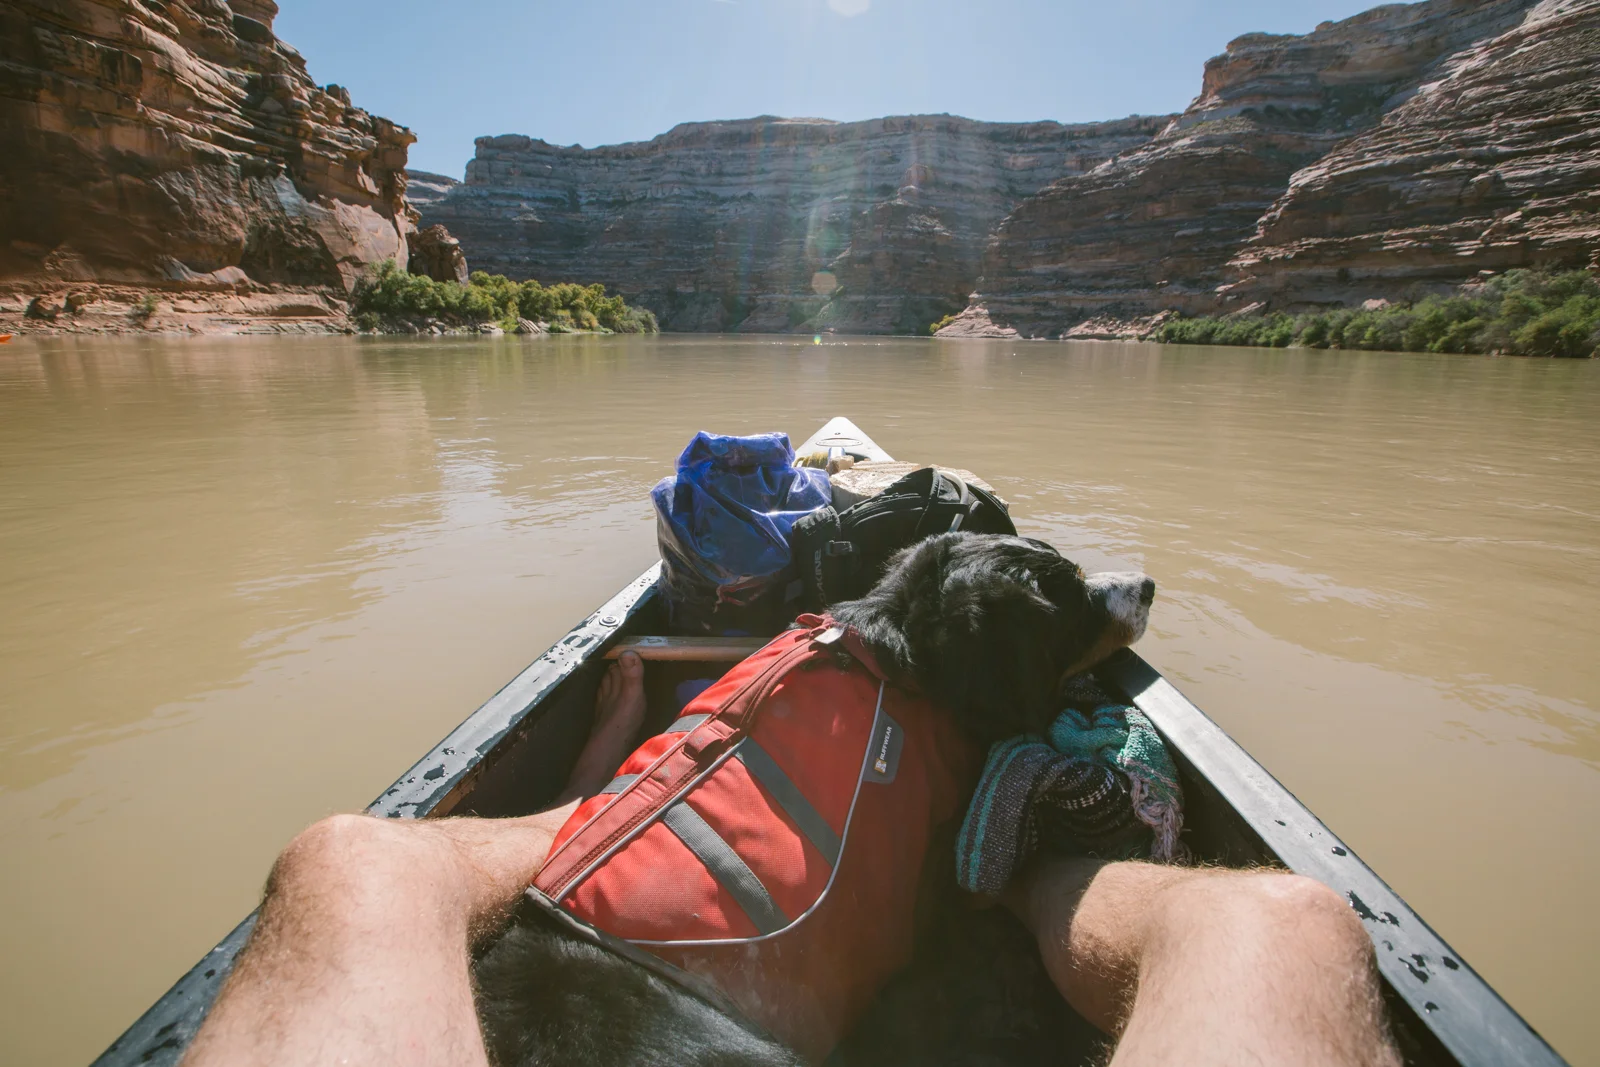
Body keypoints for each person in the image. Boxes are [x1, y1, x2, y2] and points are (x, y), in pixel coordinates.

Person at [183, 652, 1400, 1067]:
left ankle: (615, 802)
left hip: (602, 902)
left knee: (350, 855)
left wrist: (632, 759)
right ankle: (1029, 868)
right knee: (1280, 921)